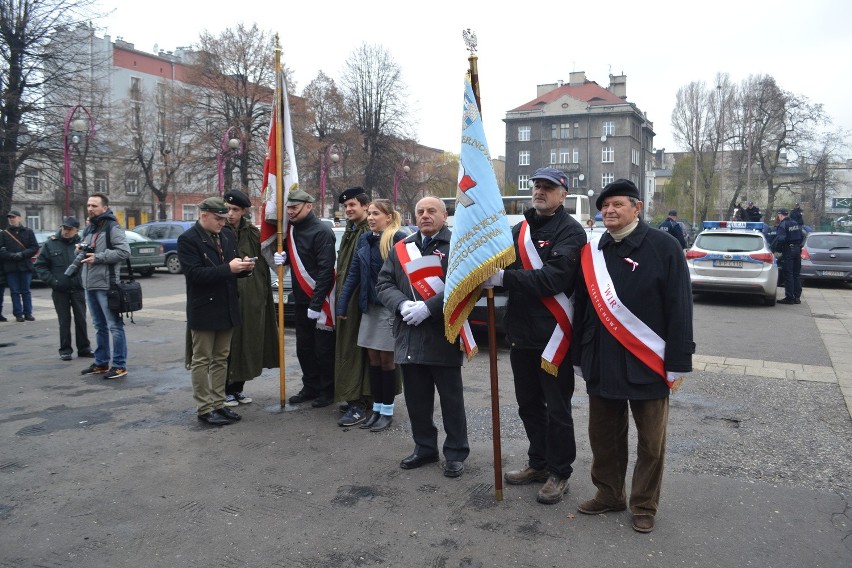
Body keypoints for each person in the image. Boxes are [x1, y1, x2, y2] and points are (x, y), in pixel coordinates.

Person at [572, 179, 694, 533]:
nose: (609, 211)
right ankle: (609, 494)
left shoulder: (665, 247)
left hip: (648, 361)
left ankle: (644, 504)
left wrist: (678, 361)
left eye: (617, 205)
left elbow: (679, 308)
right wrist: (580, 354)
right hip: (602, 359)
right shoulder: (593, 251)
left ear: (637, 207)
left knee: (651, 443)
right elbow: (582, 306)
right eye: (605, 206)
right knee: (603, 437)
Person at [482, 167, 586, 505]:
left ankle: (560, 472)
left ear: (562, 194)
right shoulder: (519, 230)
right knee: (528, 405)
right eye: (536, 186)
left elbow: (552, 279)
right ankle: (538, 463)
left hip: (553, 335)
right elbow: (501, 265)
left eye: (548, 187)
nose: (539, 191)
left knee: (557, 409)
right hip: (521, 334)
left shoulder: (571, 231)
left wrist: (504, 279)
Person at [376, 196, 469, 478]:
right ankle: (424, 448)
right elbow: (384, 283)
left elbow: (463, 286)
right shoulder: (402, 247)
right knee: (417, 399)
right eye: (420, 211)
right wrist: (402, 304)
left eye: (431, 211)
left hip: (443, 334)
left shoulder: (457, 246)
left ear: (444, 215)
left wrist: (429, 307)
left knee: (451, 400)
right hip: (408, 333)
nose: (425, 215)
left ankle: (455, 453)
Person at [179, 197, 255, 426]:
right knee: (202, 359)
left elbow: (230, 270)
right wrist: (228, 269)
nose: (223, 222)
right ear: (203, 215)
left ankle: (219, 404)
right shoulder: (188, 239)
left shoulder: (226, 235)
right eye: (218, 218)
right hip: (204, 307)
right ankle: (205, 408)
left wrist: (244, 269)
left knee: (222, 358)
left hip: (227, 304)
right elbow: (195, 275)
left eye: (224, 218)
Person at [337, 199, 407, 432]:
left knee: (387, 362)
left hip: (389, 308)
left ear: (389, 217)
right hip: (370, 309)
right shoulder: (365, 240)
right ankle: (376, 408)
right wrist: (342, 305)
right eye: (370, 214)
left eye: (376, 214)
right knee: (373, 360)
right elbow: (353, 276)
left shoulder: (398, 239)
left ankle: (387, 410)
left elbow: (407, 276)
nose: (371, 218)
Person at [273, 190, 337, 408]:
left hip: (320, 301)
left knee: (324, 350)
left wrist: (317, 303)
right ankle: (310, 386)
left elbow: (326, 270)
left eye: (294, 207)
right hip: (300, 299)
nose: (290, 211)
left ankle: (327, 390)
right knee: (304, 348)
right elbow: (299, 260)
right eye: (288, 208)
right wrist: (285, 257)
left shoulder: (322, 231)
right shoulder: (291, 231)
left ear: (308, 206)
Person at [222, 190, 279, 406]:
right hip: (228, 295)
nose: (230, 214)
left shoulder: (253, 234)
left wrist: (278, 257)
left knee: (248, 342)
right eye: (227, 209)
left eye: (235, 210)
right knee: (229, 344)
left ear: (244, 211)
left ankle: (238, 388)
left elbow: (266, 259)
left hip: (252, 297)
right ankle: (225, 388)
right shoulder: (220, 231)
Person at [78, 194, 131, 379]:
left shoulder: (112, 227)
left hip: (107, 285)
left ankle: (119, 365)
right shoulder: (89, 228)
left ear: (105, 207)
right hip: (89, 284)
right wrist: (81, 249)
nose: (90, 208)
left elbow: (124, 251)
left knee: (114, 326)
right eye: (88, 205)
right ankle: (101, 363)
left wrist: (98, 257)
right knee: (98, 325)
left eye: (94, 205)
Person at [334, 186, 372, 427]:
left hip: (359, 303)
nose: (348, 209)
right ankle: (353, 397)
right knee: (349, 350)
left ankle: (360, 401)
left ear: (365, 206)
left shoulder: (368, 232)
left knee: (357, 351)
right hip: (347, 300)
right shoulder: (352, 231)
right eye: (346, 206)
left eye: (352, 205)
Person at [33, 216, 94, 361]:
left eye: (69, 229)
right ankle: (65, 350)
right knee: (64, 320)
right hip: (60, 289)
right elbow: (40, 266)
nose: (66, 231)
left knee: (81, 319)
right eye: (64, 228)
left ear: (76, 230)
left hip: (78, 287)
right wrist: (53, 281)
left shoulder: (82, 244)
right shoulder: (50, 244)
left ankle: (84, 348)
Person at [0, 210, 39, 322]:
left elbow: (34, 247)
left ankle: (28, 313)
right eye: (10, 217)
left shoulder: (28, 232)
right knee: (15, 291)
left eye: (14, 217)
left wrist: (22, 254)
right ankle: (18, 314)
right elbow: (1, 251)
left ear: (19, 218)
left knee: (26, 291)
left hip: (25, 266)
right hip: (11, 267)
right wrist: (12, 256)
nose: (12, 219)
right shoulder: (4, 233)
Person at [774, 207, 803, 305]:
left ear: (780, 215)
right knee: (796, 274)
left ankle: (789, 298)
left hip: (788, 251)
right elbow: (803, 235)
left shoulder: (783, 224)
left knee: (788, 274)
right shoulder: (795, 223)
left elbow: (781, 239)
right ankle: (797, 297)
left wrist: (777, 250)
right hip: (797, 250)